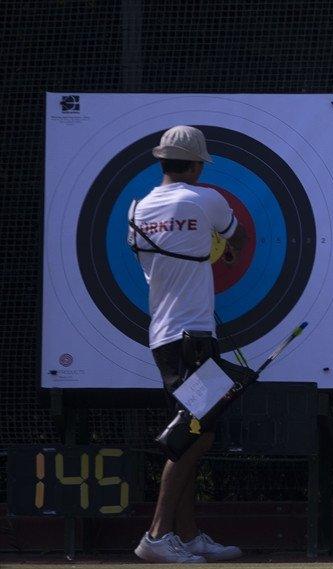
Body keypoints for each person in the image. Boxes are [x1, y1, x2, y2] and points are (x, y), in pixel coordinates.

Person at [130, 126, 247, 563]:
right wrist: (220, 245)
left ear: (163, 161)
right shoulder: (205, 199)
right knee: (192, 434)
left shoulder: (138, 209)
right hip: (192, 337)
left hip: (165, 337)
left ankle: (187, 533)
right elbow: (235, 237)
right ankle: (157, 537)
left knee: (197, 430)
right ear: (196, 164)